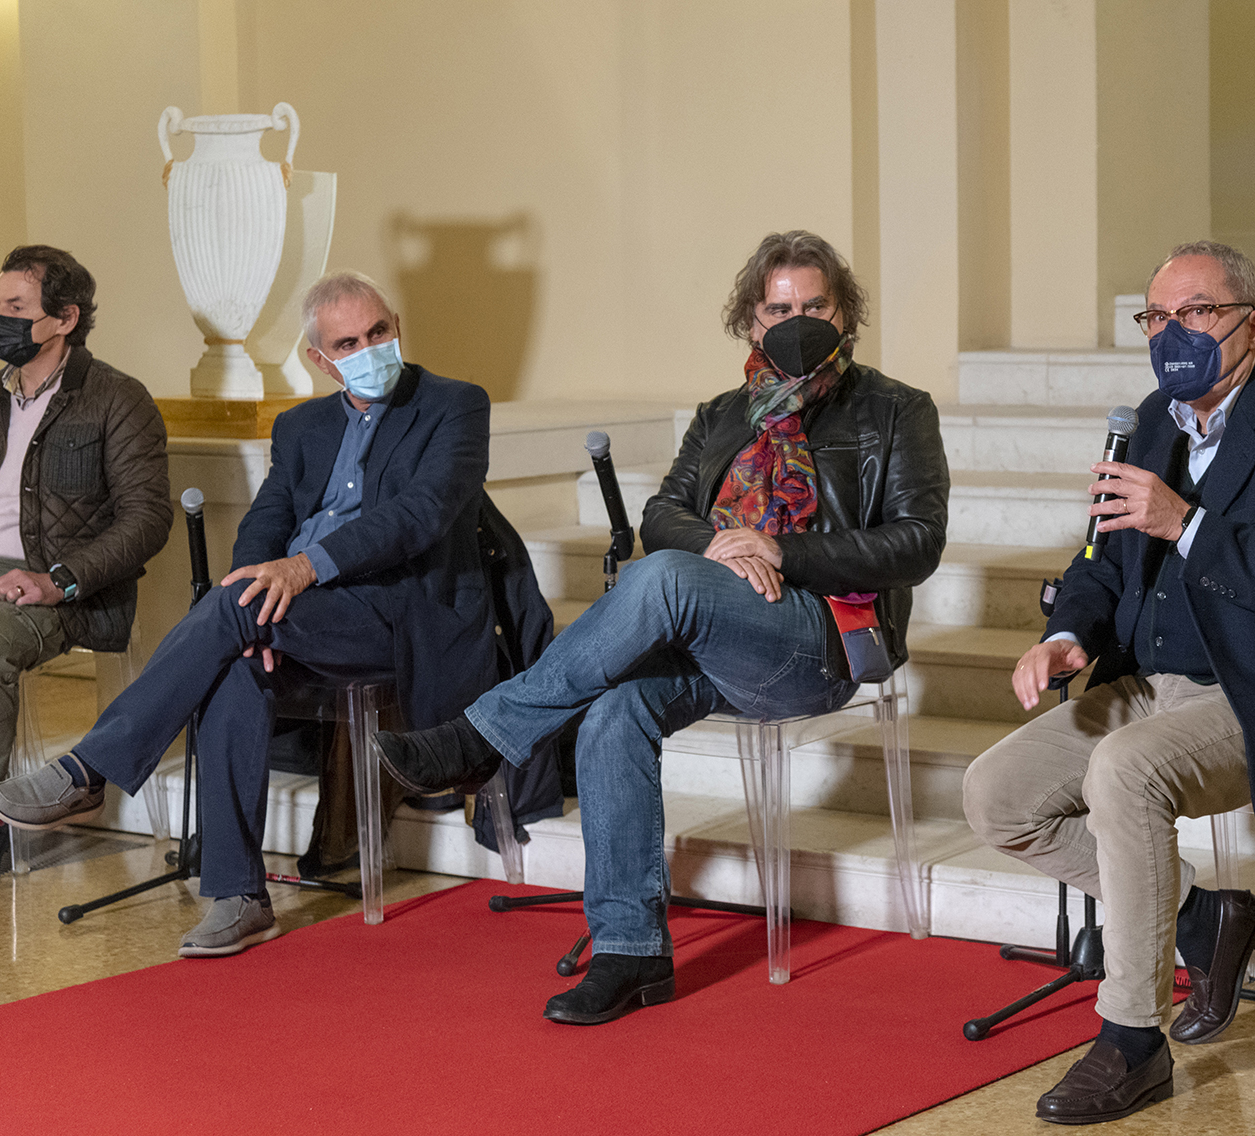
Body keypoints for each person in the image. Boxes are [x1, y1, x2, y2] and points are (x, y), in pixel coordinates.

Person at [375, 229, 950, 1025]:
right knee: (616, 708)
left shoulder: (895, 410)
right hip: (718, 635)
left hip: (821, 641)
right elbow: (661, 514)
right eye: (778, 308)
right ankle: (630, 952)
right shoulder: (722, 415)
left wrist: (779, 549)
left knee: (663, 578)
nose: (796, 322)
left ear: (843, 313)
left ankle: (483, 737)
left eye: (814, 306)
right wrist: (724, 547)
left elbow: (916, 542)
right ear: (751, 320)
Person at [963, 241, 1255, 1124]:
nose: (1174, 334)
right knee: (996, 794)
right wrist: (1064, 637)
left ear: (1254, 322)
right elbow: (1098, 560)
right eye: (1157, 317)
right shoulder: (1150, 421)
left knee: (1125, 770)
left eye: (1197, 312)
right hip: (1150, 681)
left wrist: (1185, 523)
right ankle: (1203, 917)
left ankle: (1131, 1040)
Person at [0, 270, 526, 957]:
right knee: (234, 666)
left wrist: (301, 571)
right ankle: (239, 896)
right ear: (320, 359)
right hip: (301, 614)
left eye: (379, 332)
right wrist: (260, 590)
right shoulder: (302, 426)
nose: (370, 349)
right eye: (348, 343)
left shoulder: (454, 405)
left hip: (404, 616)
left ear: (396, 328)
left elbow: (420, 515)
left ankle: (88, 771)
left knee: (233, 613)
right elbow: (265, 523)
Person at [0, 246, 170, 888]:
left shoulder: (118, 398)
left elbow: (147, 519)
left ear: (65, 317)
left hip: (55, 589)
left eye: (16, 307)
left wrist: (57, 580)